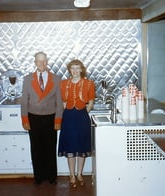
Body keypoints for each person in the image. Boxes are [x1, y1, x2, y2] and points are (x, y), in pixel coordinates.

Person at [19, 51, 63, 185]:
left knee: (50, 148)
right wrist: (25, 120)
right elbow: (24, 102)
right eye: (39, 61)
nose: (42, 64)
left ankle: (51, 176)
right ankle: (38, 177)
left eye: (44, 61)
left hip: (50, 118)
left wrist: (57, 120)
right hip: (33, 118)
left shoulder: (56, 79)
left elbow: (59, 103)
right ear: (35, 63)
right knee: (36, 148)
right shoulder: (28, 79)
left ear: (47, 61)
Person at [57, 59, 95, 188]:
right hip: (68, 117)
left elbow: (90, 102)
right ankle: (72, 175)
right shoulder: (63, 84)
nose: (74, 71)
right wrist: (64, 115)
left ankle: (79, 174)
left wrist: (84, 112)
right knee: (70, 147)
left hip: (82, 117)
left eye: (77, 68)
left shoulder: (89, 84)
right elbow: (63, 102)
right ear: (69, 70)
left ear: (81, 69)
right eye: (72, 68)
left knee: (81, 146)